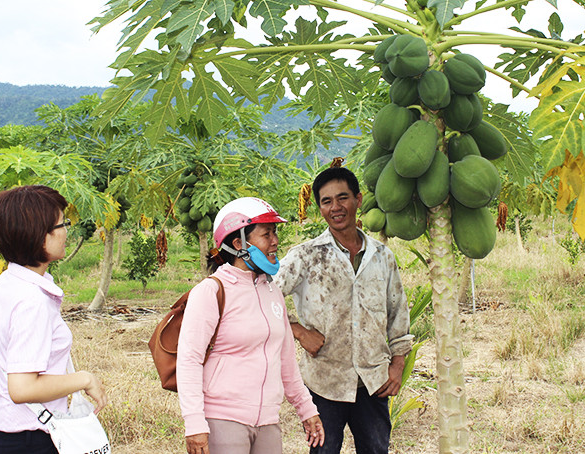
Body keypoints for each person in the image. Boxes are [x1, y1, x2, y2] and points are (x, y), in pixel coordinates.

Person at [274, 167, 413, 454]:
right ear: (319, 208)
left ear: (358, 199)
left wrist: (397, 365)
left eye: (343, 198)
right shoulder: (306, 255)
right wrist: (298, 331)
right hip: (325, 381)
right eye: (326, 201)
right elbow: (263, 298)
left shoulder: (382, 255)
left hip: (374, 380)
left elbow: (397, 313)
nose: (335, 208)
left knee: (375, 450)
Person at [177, 197, 325, 454]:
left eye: (275, 232)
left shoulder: (273, 293)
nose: (275, 241)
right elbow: (189, 360)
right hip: (223, 420)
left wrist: (307, 410)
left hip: (268, 421)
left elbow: (286, 361)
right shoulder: (211, 291)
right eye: (266, 234)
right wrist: (194, 424)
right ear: (238, 243)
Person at [0, 185, 107, 454]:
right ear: (38, 235)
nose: (67, 231)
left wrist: (7, 406)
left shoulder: (6, 283)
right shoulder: (32, 300)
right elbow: (22, 388)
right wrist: (84, 379)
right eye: (62, 224)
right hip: (29, 442)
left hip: (0, 434)